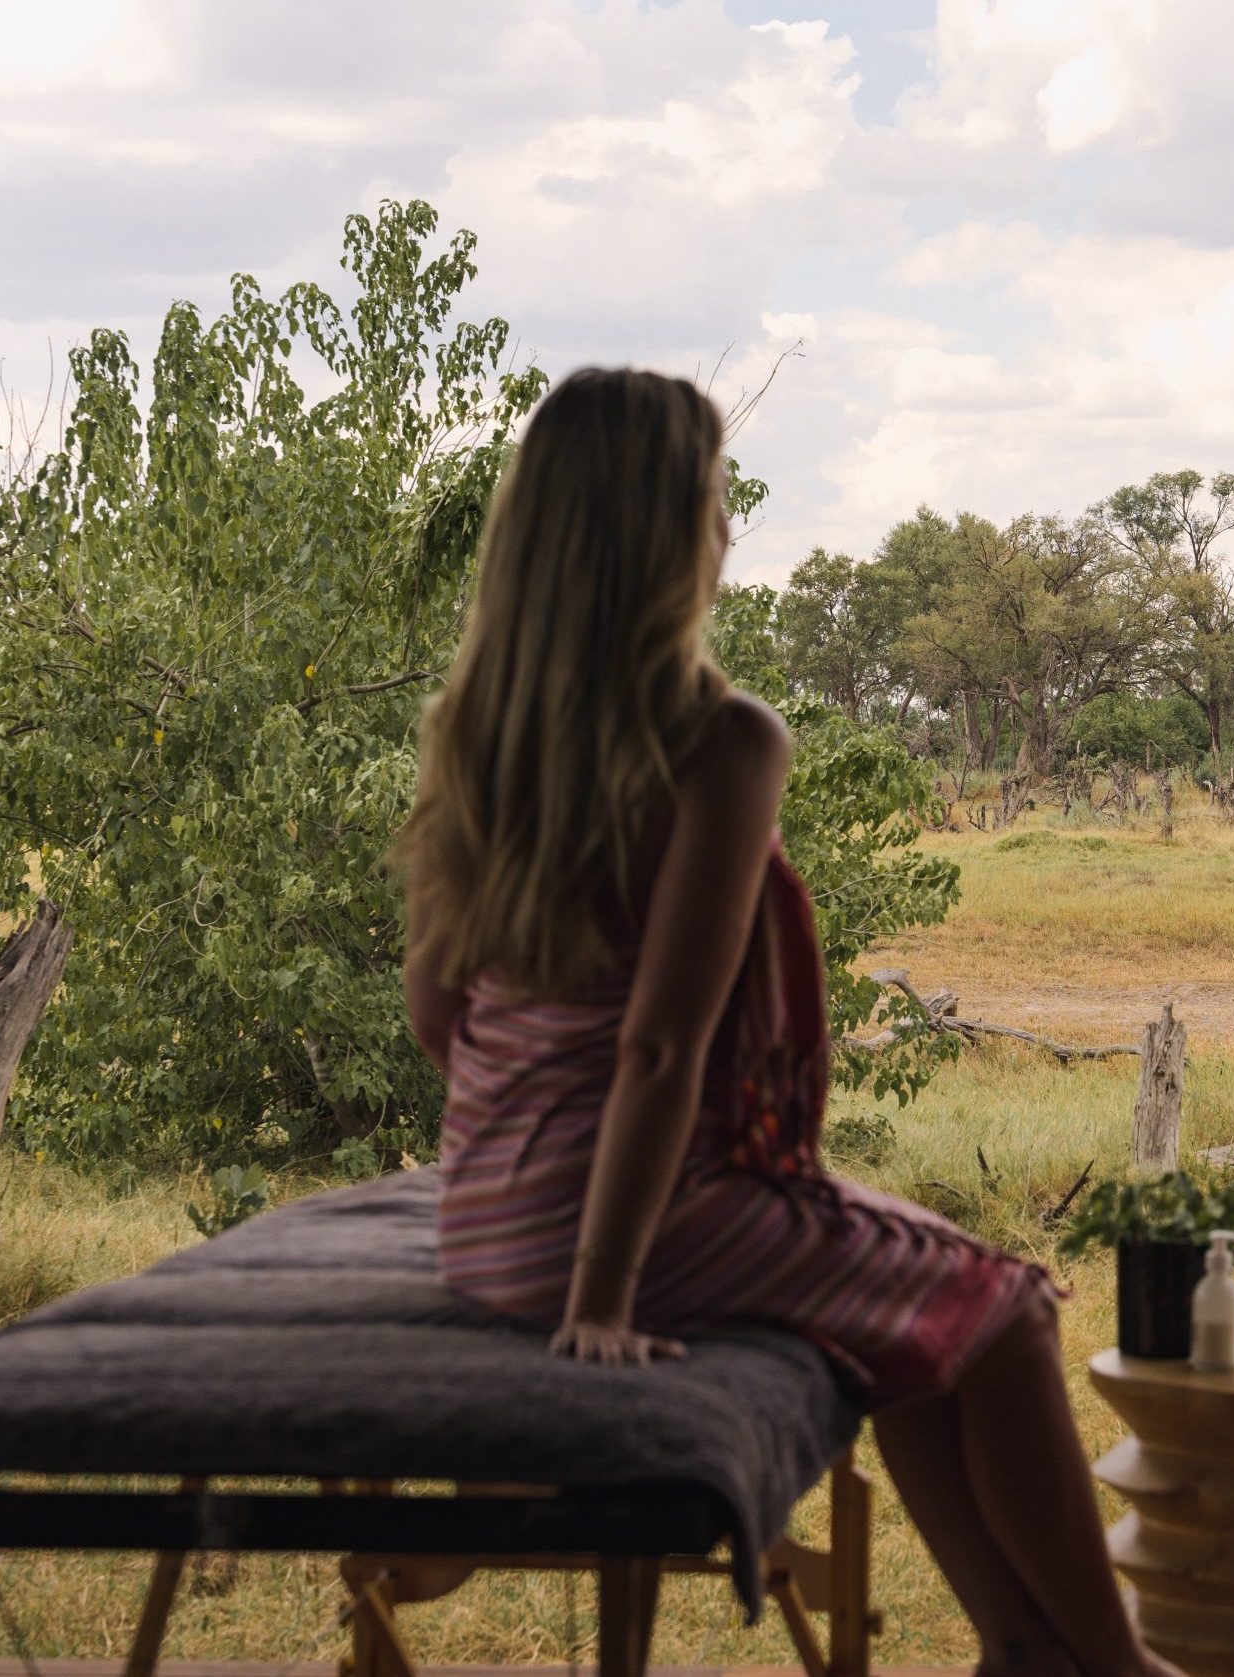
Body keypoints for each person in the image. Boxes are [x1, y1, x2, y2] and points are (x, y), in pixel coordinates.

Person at [398, 368, 1182, 1677]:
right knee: (1007, 1311)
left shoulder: (477, 737)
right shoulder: (719, 743)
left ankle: (1017, 1644)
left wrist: (535, 1151)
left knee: (922, 1326)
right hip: (620, 1228)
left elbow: (438, 1015)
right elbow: (661, 1049)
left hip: (484, 1211)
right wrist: (599, 1293)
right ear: (664, 540)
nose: (726, 531)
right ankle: (1110, 1664)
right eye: (712, 503)